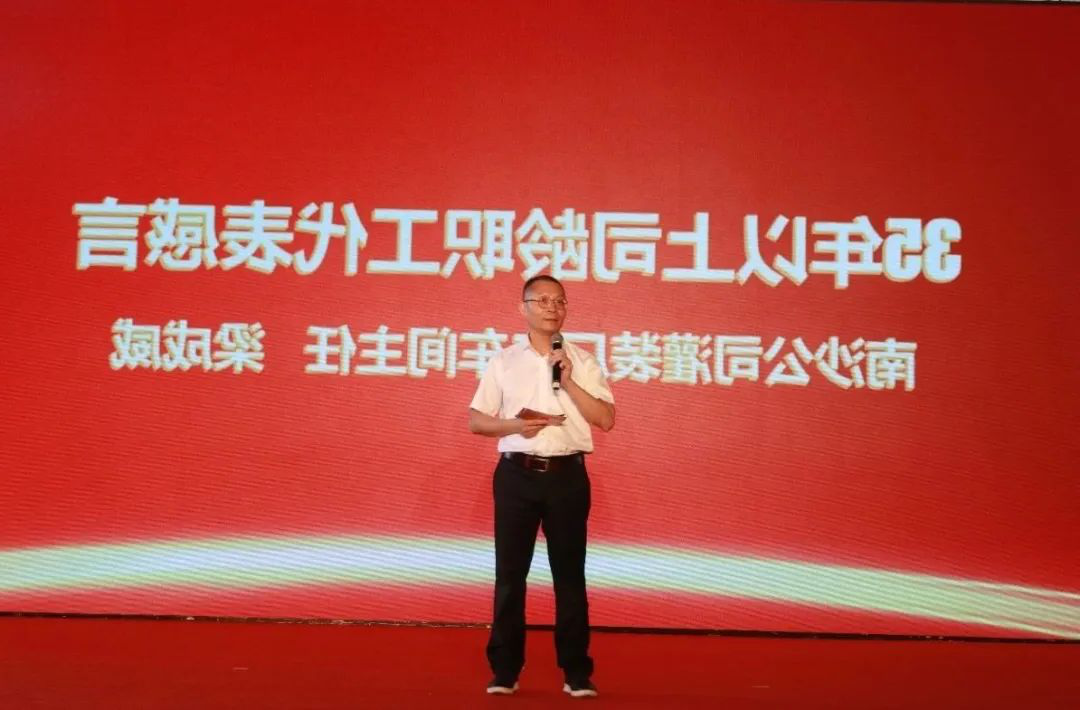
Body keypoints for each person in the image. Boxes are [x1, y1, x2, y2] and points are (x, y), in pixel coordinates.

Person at [468, 274, 615, 699]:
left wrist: (567, 380)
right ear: (524, 308)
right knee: (510, 576)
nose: (552, 307)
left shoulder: (582, 361)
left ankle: (576, 671)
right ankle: (505, 670)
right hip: (516, 476)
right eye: (543, 300)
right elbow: (477, 420)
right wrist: (517, 426)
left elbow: (606, 419)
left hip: (567, 476)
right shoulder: (503, 361)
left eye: (559, 301)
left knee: (569, 576)